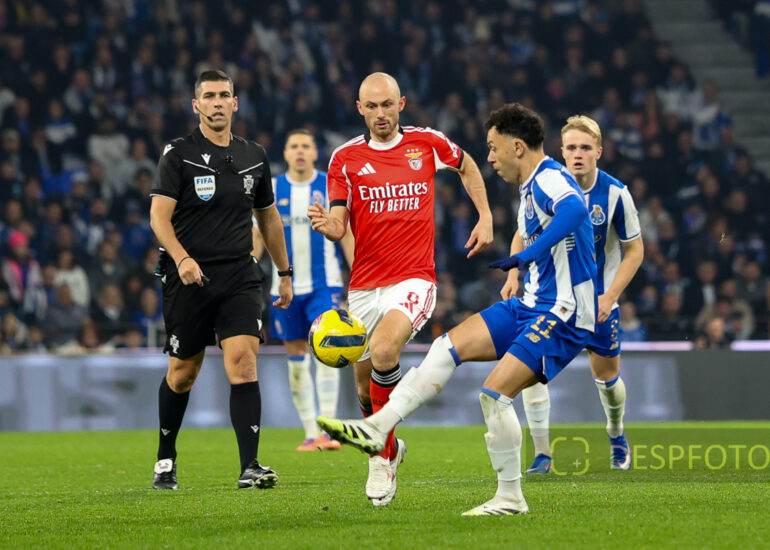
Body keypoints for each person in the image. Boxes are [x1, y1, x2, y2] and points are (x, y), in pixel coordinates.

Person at [317, 103, 596, 516]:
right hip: (531, 303)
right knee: (444, 348)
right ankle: (378, 428)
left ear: (517, 147)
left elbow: (574, 210)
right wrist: (520, 262)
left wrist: (528, 255)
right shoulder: (531, 185)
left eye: (493, 147)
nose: (489, 157)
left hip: (564, 312)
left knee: (494, 395)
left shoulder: (550, 178)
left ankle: (510, 498)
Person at [308, 72, 493, 507]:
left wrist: (484, 215)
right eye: (371, 107)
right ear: (359, 109)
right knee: (362, 388)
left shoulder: (426, 143)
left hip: (414, 278)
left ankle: (379, 458)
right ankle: (390, 448)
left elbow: (467, 164)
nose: (380, 114)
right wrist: (330, 227)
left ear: (401, 104)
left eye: (387, 105)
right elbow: (339, 221)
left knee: (385, 350)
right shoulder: (344, 158)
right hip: (364, 286)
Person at [149, 70, 292, 490]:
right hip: (188, 277)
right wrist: (182, 259)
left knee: (244, 362)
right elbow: (159, 217)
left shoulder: (255, 155)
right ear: (196, 105)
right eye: (209, 96)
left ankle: (250, 466)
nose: (217, 102)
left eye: (224, 95)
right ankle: (165, 457)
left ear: (235, 103)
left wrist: (284, 273)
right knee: (182, 373)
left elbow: (268, 218)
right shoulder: (178, 154)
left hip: (239, 275)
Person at [521, 115, 643, 474]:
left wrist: (609, 296)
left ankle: (616, 433)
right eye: (572, 147)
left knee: (607, 379)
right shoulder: (545, 185)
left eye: (585, 148)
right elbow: (522, 233)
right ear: (561, 151)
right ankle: (542, 454)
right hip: (551, 299)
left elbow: (635, 250)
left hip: (598, 301)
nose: (578, 154)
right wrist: (514, 273)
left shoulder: (616, 193)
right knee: (529, 368)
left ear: (599, 152)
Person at [253, 128, 354, 452]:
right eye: (294, 146)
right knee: (296, 358)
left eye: (305, 146)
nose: (299, 151)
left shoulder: (329, 186)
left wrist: (358, 272)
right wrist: (248, 270)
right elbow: (258, 235)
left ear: (314, 153)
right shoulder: (271, 188)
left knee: (327, 351)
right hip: (284, 288)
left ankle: (329, 430)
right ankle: (311, 433)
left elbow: (346, 232)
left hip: (325, 285)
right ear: (285, 153)